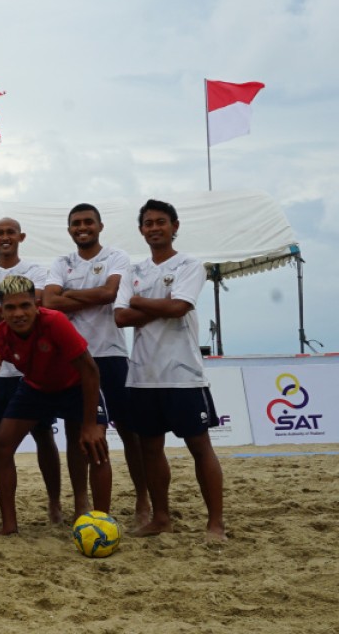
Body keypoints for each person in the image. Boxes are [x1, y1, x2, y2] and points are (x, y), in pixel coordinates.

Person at [114, 199, 225, 542]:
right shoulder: (133, 271)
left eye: (161, 222)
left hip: (183, 372)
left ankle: (215, 524)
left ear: (175, 226)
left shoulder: (190, 264)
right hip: (143, 375)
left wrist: (140, 301)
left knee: (200, 447)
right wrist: (162, 304)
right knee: (150, 449)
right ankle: (160, 517)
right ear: (141, 230)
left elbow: (179, 307)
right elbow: (120, 317)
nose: (154, 228)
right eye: (148, 223)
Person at [0, 275, 112, 535]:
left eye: (25, 305)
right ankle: (9, 526)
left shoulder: (54, 321)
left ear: (36, 305)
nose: (19, 313)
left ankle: (100, 520)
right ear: (1, 311)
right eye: (10, 308)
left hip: (75, 384)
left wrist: (90, 424)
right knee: (0, 446)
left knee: (94, 444)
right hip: (37, 386)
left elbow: (90, 370)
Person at [44, 203, 146, 525]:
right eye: (76, 223)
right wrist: (94, 294)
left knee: (130, 432)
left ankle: (143, 500)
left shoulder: (117, 257)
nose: (82, 227)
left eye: (88, 222)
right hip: (75, 358)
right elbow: (49, 302)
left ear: (100, 226)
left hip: (111, 354)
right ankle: (80, 504)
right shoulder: (62, 262)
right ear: (70, 229)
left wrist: (71, 294)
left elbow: (111, 293)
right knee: (78, 435)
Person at [0, 218, 64, 523]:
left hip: (29, 369)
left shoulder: (36, 270)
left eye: (10, 233)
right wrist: (12, 311)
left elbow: (38, 311)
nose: (5, 237)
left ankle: (54, 503)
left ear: (21, 236)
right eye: (0, 234)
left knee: (44, 435)